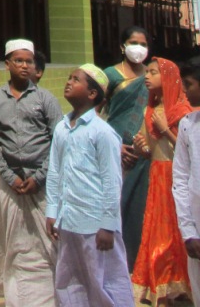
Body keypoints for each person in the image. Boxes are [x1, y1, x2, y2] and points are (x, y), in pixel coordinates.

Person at [45, 63, 133, 307]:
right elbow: (55, 171)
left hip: (96, 225)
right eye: (69, 78)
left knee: (105, 282)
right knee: (70, 281)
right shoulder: (61, 128)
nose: (69, 82)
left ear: (93, 93)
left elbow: (112, 181)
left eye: (76, 79)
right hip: (68, 221)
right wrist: (52, 211)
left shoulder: (102, 132)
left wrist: (108, 225)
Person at [0, 38, 62, 307]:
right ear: (7, 64)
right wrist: (9, 176)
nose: (25, 66)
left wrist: (39, 177)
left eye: (29, 61)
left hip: (42, 185)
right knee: (11, 242)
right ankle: (16, 295)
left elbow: (59, 141)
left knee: (50, 242)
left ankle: (53, 295)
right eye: (19, 61)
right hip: (11, 185)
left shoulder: (45, 99)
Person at [131, 57, 192, 305]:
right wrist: (141, 148)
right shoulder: (150, 111)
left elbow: (189, 151)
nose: (147, 76)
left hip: (178, 178)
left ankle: (183, 283)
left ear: (168, 77)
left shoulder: (183, 112)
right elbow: (149, 151)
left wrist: (166, 130)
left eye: (153, 72)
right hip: (157, 176)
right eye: (146, 72)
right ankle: (162, 285)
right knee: (158, 233)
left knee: (178, 231)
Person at [102, 24, 151, 269]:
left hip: (146, 153)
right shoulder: (110, 75)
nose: (138, 48)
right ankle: (115, 262)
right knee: (115, 205)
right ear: (123, 47)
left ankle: (138, 262)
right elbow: (96, 114)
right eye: (134, 43)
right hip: (115, 152)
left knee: (140, 207)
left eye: (143, 44)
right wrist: (115, 146)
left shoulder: (152, 76)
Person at [172, 55, 200, 306]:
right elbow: (180, 179)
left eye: (189, 84)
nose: (184, 91)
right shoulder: (187, 126)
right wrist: (188, 231)